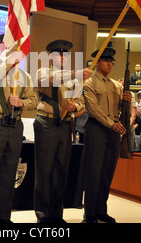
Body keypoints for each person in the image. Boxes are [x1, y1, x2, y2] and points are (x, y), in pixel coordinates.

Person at [0, 35, 37, 223]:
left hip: (15, 125)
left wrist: (21, 102)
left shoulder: (25, 77)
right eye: (7, 46)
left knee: (9, 173)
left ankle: (4, 217)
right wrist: (8, 63)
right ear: (1, 48)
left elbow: (34, 100)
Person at [34, 39, 92, 223]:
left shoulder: (73, 79)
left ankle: (56, 214)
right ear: (50, 57)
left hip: (66, 125)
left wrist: (74, 107)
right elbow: (48, 80)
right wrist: (77, 74)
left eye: (66, 54)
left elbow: (81, 100)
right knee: (44, 170)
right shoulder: (43, 71)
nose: (63, 57)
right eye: (59, 54)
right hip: (47, 123)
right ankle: (43, 215)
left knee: (60, 170)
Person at [82, 47, 132, 223]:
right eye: (106, 61)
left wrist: (127, 99)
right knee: (93, 173)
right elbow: (93, 109)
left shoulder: (115, 85)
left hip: (113, 131)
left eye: (111, 61)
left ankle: (101, 210)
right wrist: (112, 124)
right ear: (97, 63)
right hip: (97, 129)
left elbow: (120, 108)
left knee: (106, 173)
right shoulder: (89, 83)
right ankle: (89, 214)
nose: (110, 63)